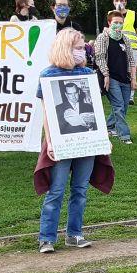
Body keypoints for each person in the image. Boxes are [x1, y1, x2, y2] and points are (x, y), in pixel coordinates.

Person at [36, 28, 100, 253]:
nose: (83, 52)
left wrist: (101, 138)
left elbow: (96, 112)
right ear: (66, 48)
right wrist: (50, 142)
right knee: (56, 190)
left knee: (80, 190)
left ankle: (74, 234)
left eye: (83, 48)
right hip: (61, 142)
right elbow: (47, 114)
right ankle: (47, 238)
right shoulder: (49, 75)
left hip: (86, 142)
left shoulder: (87, 74)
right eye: (79, 48)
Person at [93, 10, 137, 144]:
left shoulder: (125, 39)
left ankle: (109, 126)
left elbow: (131, 59)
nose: (118, 25)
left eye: (121, 23)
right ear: (109, 23)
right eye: (115, 23)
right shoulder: (103, 37)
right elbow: (99, 58)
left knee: (124, 106)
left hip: (125, 77)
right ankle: (124, 135)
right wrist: (106, 74)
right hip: (111, 77)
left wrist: (134, 78)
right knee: (118, 106)